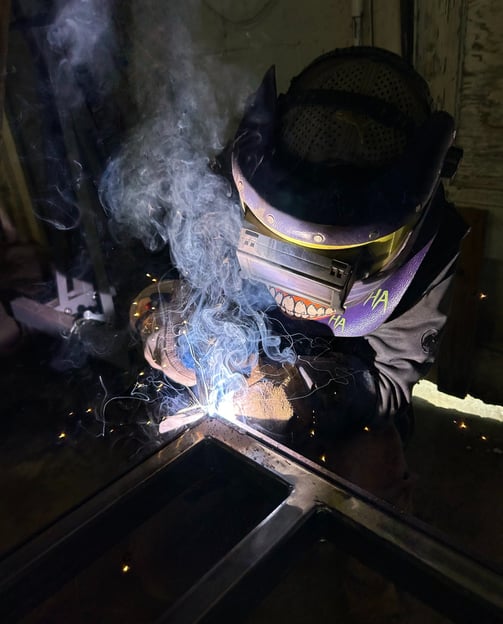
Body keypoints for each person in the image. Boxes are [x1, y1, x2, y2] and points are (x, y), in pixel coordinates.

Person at [136, 46, 466, 510]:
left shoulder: (427, 251)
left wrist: (300, 390)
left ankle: (367, 572)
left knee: (374, 468)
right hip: (239, 380)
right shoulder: (238, 184)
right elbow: (180, 289)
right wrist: (166, 323)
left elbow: (391, 385)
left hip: (346, 416)